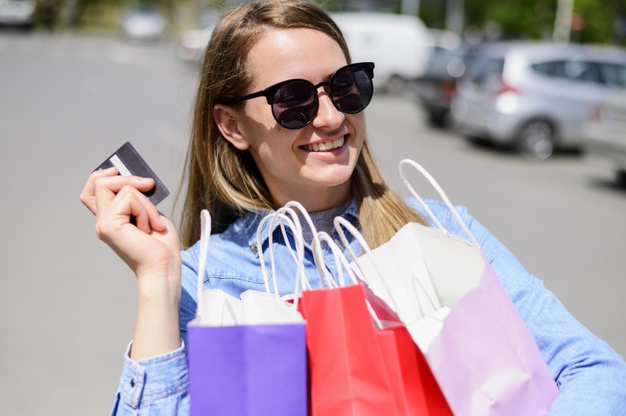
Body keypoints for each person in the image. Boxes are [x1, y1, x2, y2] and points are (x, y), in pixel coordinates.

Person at [80, 1, 626, 415]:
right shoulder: (206, 280)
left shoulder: (437, 229)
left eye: (345, 86)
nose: (330, 117)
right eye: (293, 99)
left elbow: (594, 369)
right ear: (231, 126)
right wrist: (157, 282)